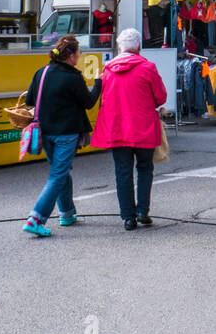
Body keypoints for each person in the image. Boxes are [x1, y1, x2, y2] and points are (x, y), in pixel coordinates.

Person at [22, 35, 102, 238]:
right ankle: (36, 218)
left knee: (61, 171)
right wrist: (99, 83)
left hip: (44, 133)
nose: (79, 56)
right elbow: (89, 102)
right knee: (58, 175)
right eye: (78, 53)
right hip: (66, 133)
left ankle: (66, 213)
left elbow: (31, 99)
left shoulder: (42, 72)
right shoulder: (73, 77)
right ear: (71, 56)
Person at [90, 27, 167, 231]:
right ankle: (142, 211)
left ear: (119, 47)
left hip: (117, 129)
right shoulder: (148, 67)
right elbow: (161, 97)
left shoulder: (108, 70)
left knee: (122, 172)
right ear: (139, 47)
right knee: (145, 169)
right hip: (143, 127)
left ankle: (128, 217)